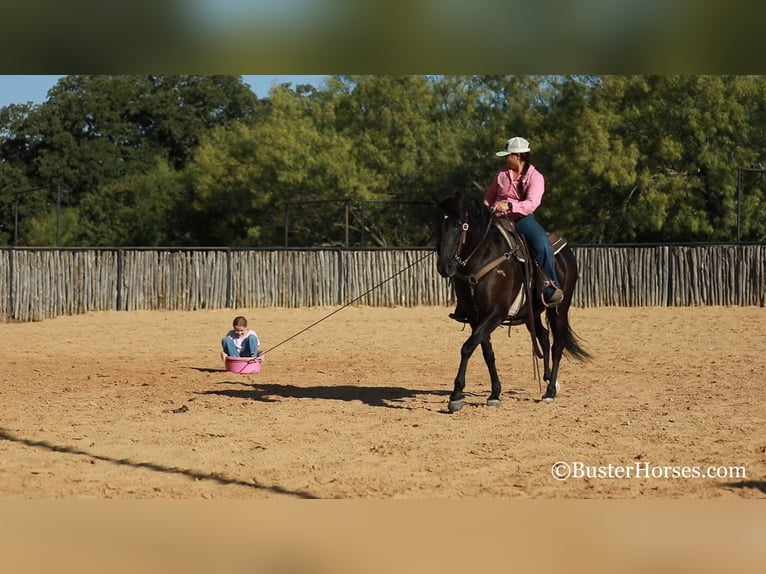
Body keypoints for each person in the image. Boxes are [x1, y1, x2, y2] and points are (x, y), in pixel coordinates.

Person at [449, 136, 563, 322]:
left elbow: (532, 204)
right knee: (471, 242)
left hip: (521, 219)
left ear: (518, 156)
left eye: (507, 156)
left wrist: (510, 207)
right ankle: (465, 301)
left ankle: (550, 286)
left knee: (541, 242)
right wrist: (484, 212)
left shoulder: (536, 177)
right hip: (496, 219)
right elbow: (488, 197)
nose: (505, 159)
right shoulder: (501, 174)